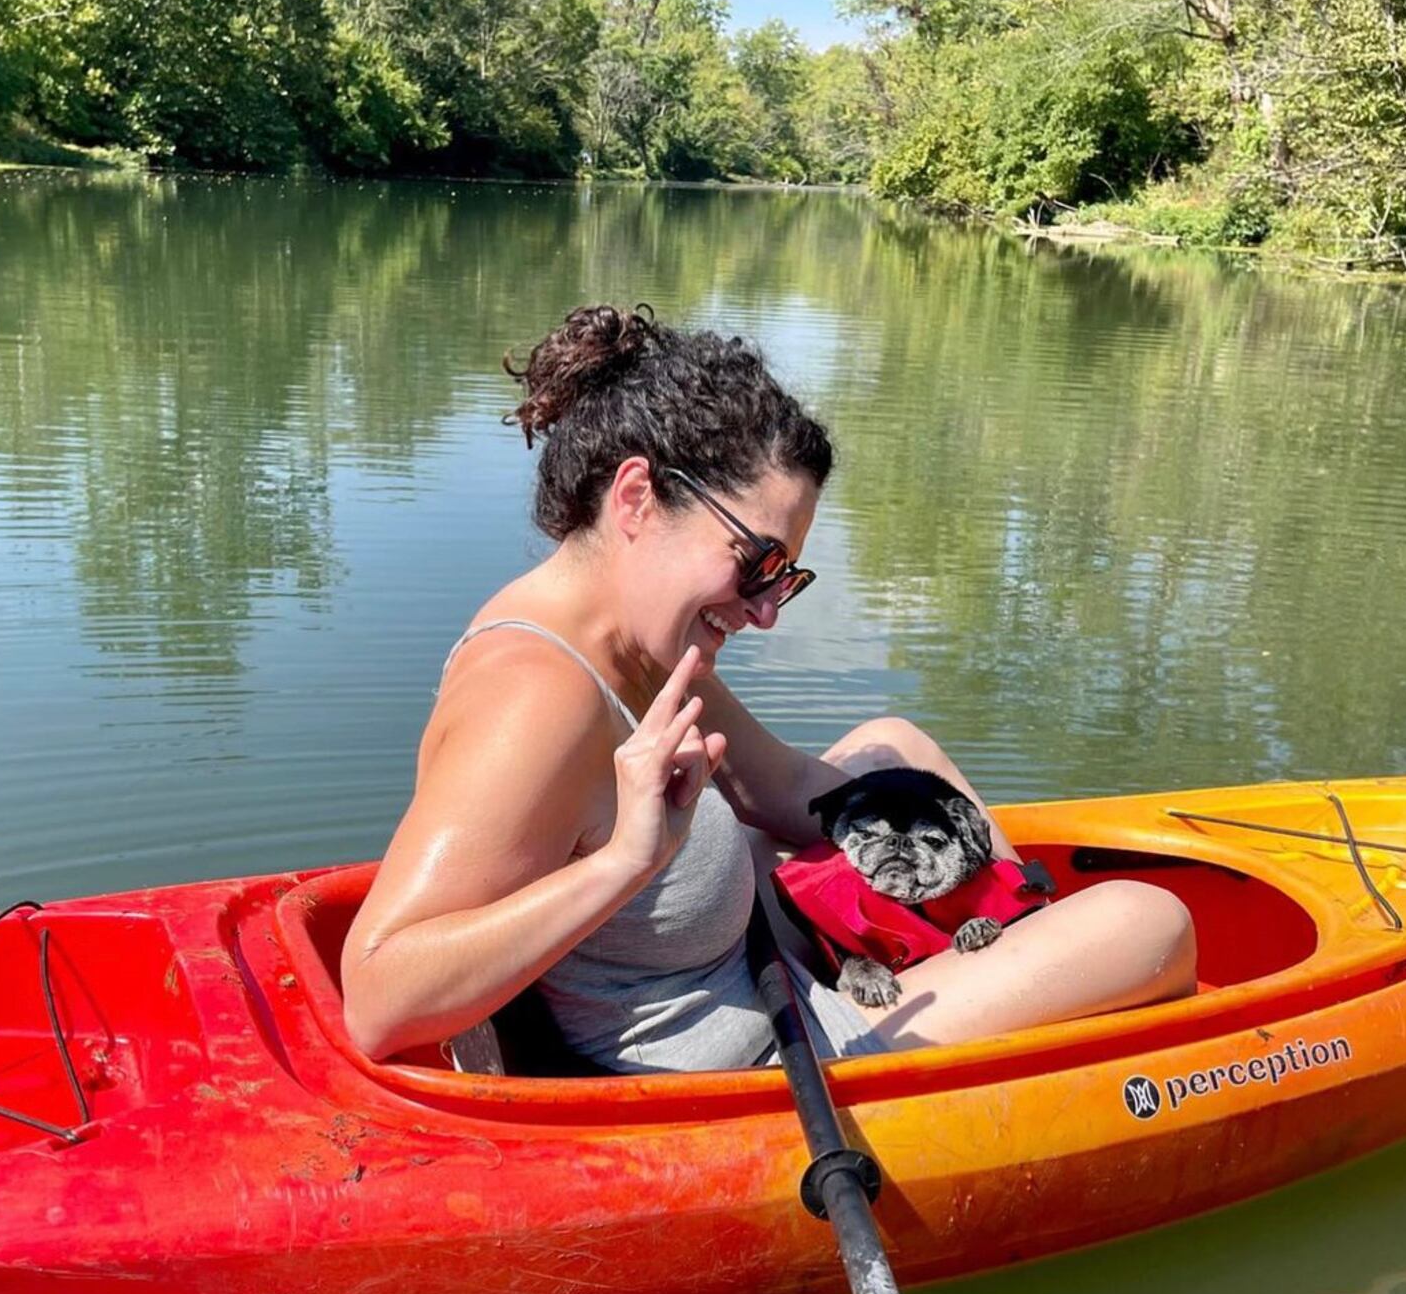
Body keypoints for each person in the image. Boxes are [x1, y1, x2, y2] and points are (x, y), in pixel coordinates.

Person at [342, 304, 1196, 1072]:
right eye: (755, 562)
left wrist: (938, 835)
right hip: (772, 1066)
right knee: (1149, 922)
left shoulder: (631, 643)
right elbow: (382, 1000)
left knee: (896, 747)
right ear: (638, 497)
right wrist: (625, 863)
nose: (765, 611)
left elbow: (779, 784)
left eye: (786, 577)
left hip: (760, 962)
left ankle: (1001, 929)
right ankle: (1037, 1001)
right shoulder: (539, 699)